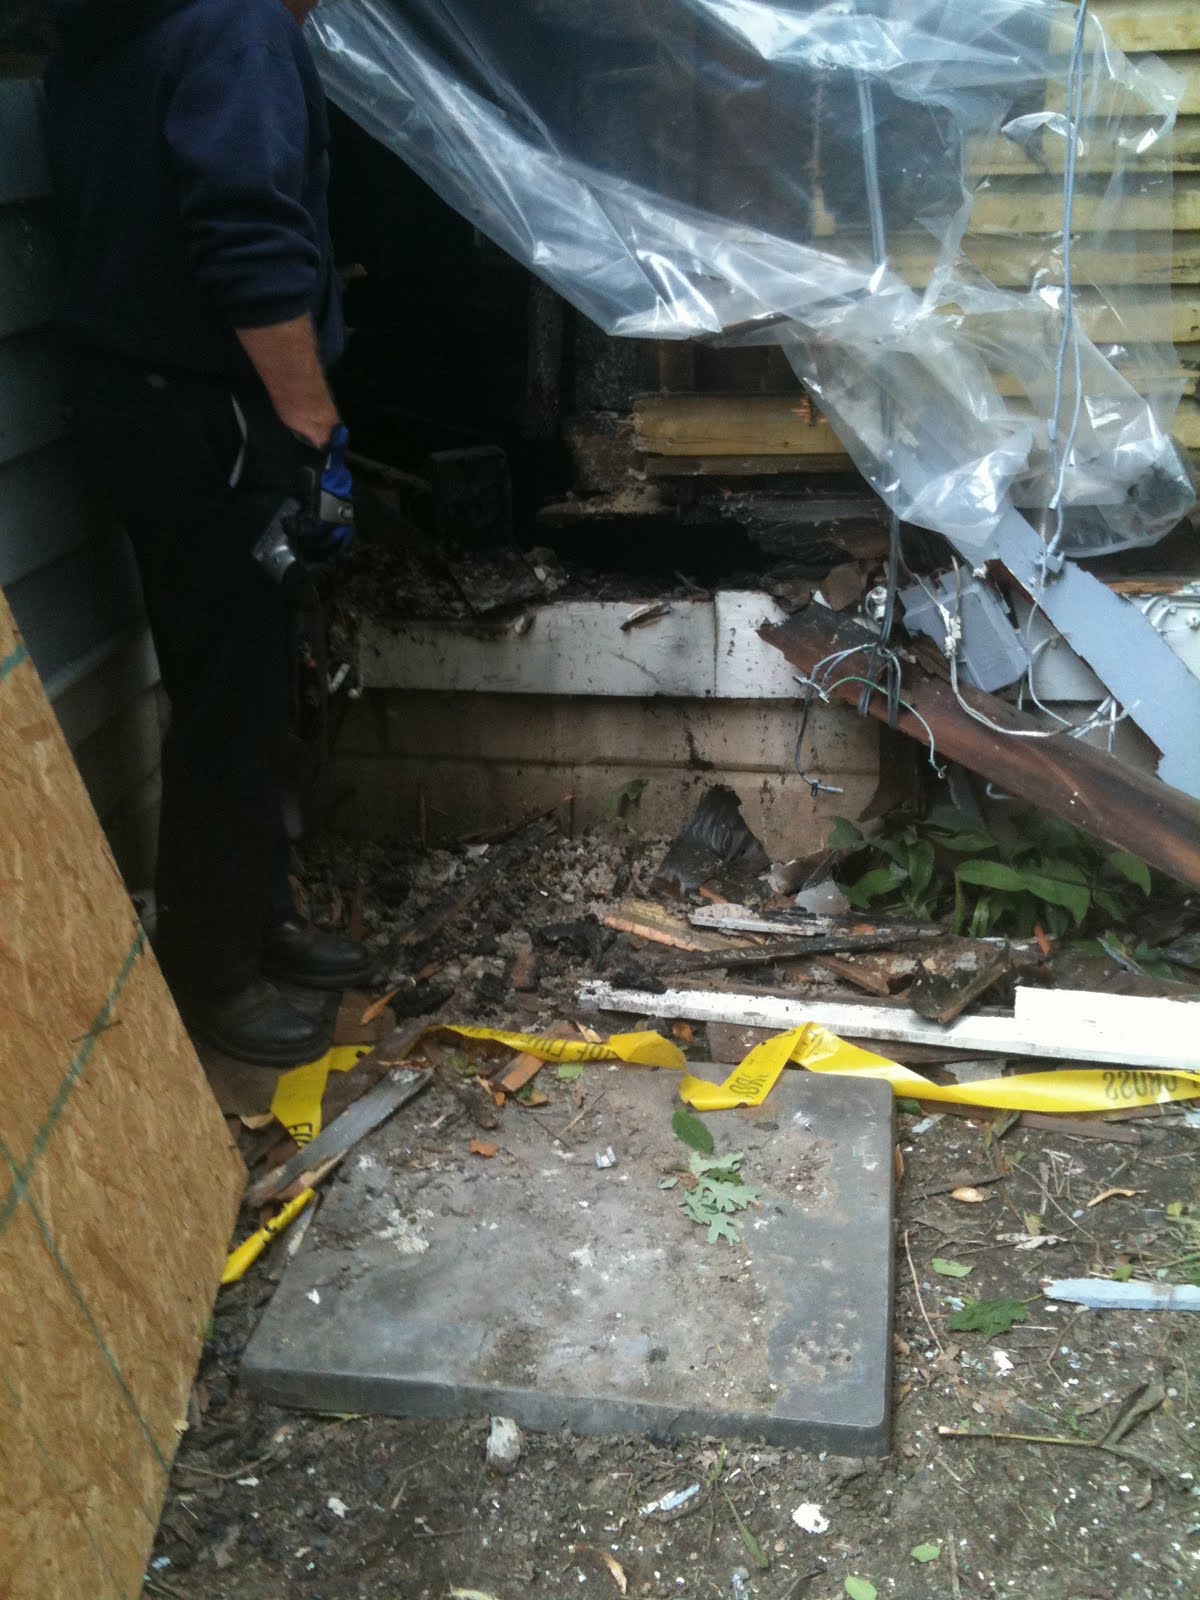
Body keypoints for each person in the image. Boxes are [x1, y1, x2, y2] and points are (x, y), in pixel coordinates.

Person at [45, 0, 371, 1066]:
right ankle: (213, 973)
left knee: (232, 675)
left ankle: (256, 915)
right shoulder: (236, 29)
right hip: (215, 415)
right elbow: (249, 243)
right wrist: (312, 428)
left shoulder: (124, 27)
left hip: (137, 401)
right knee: (231, 698)